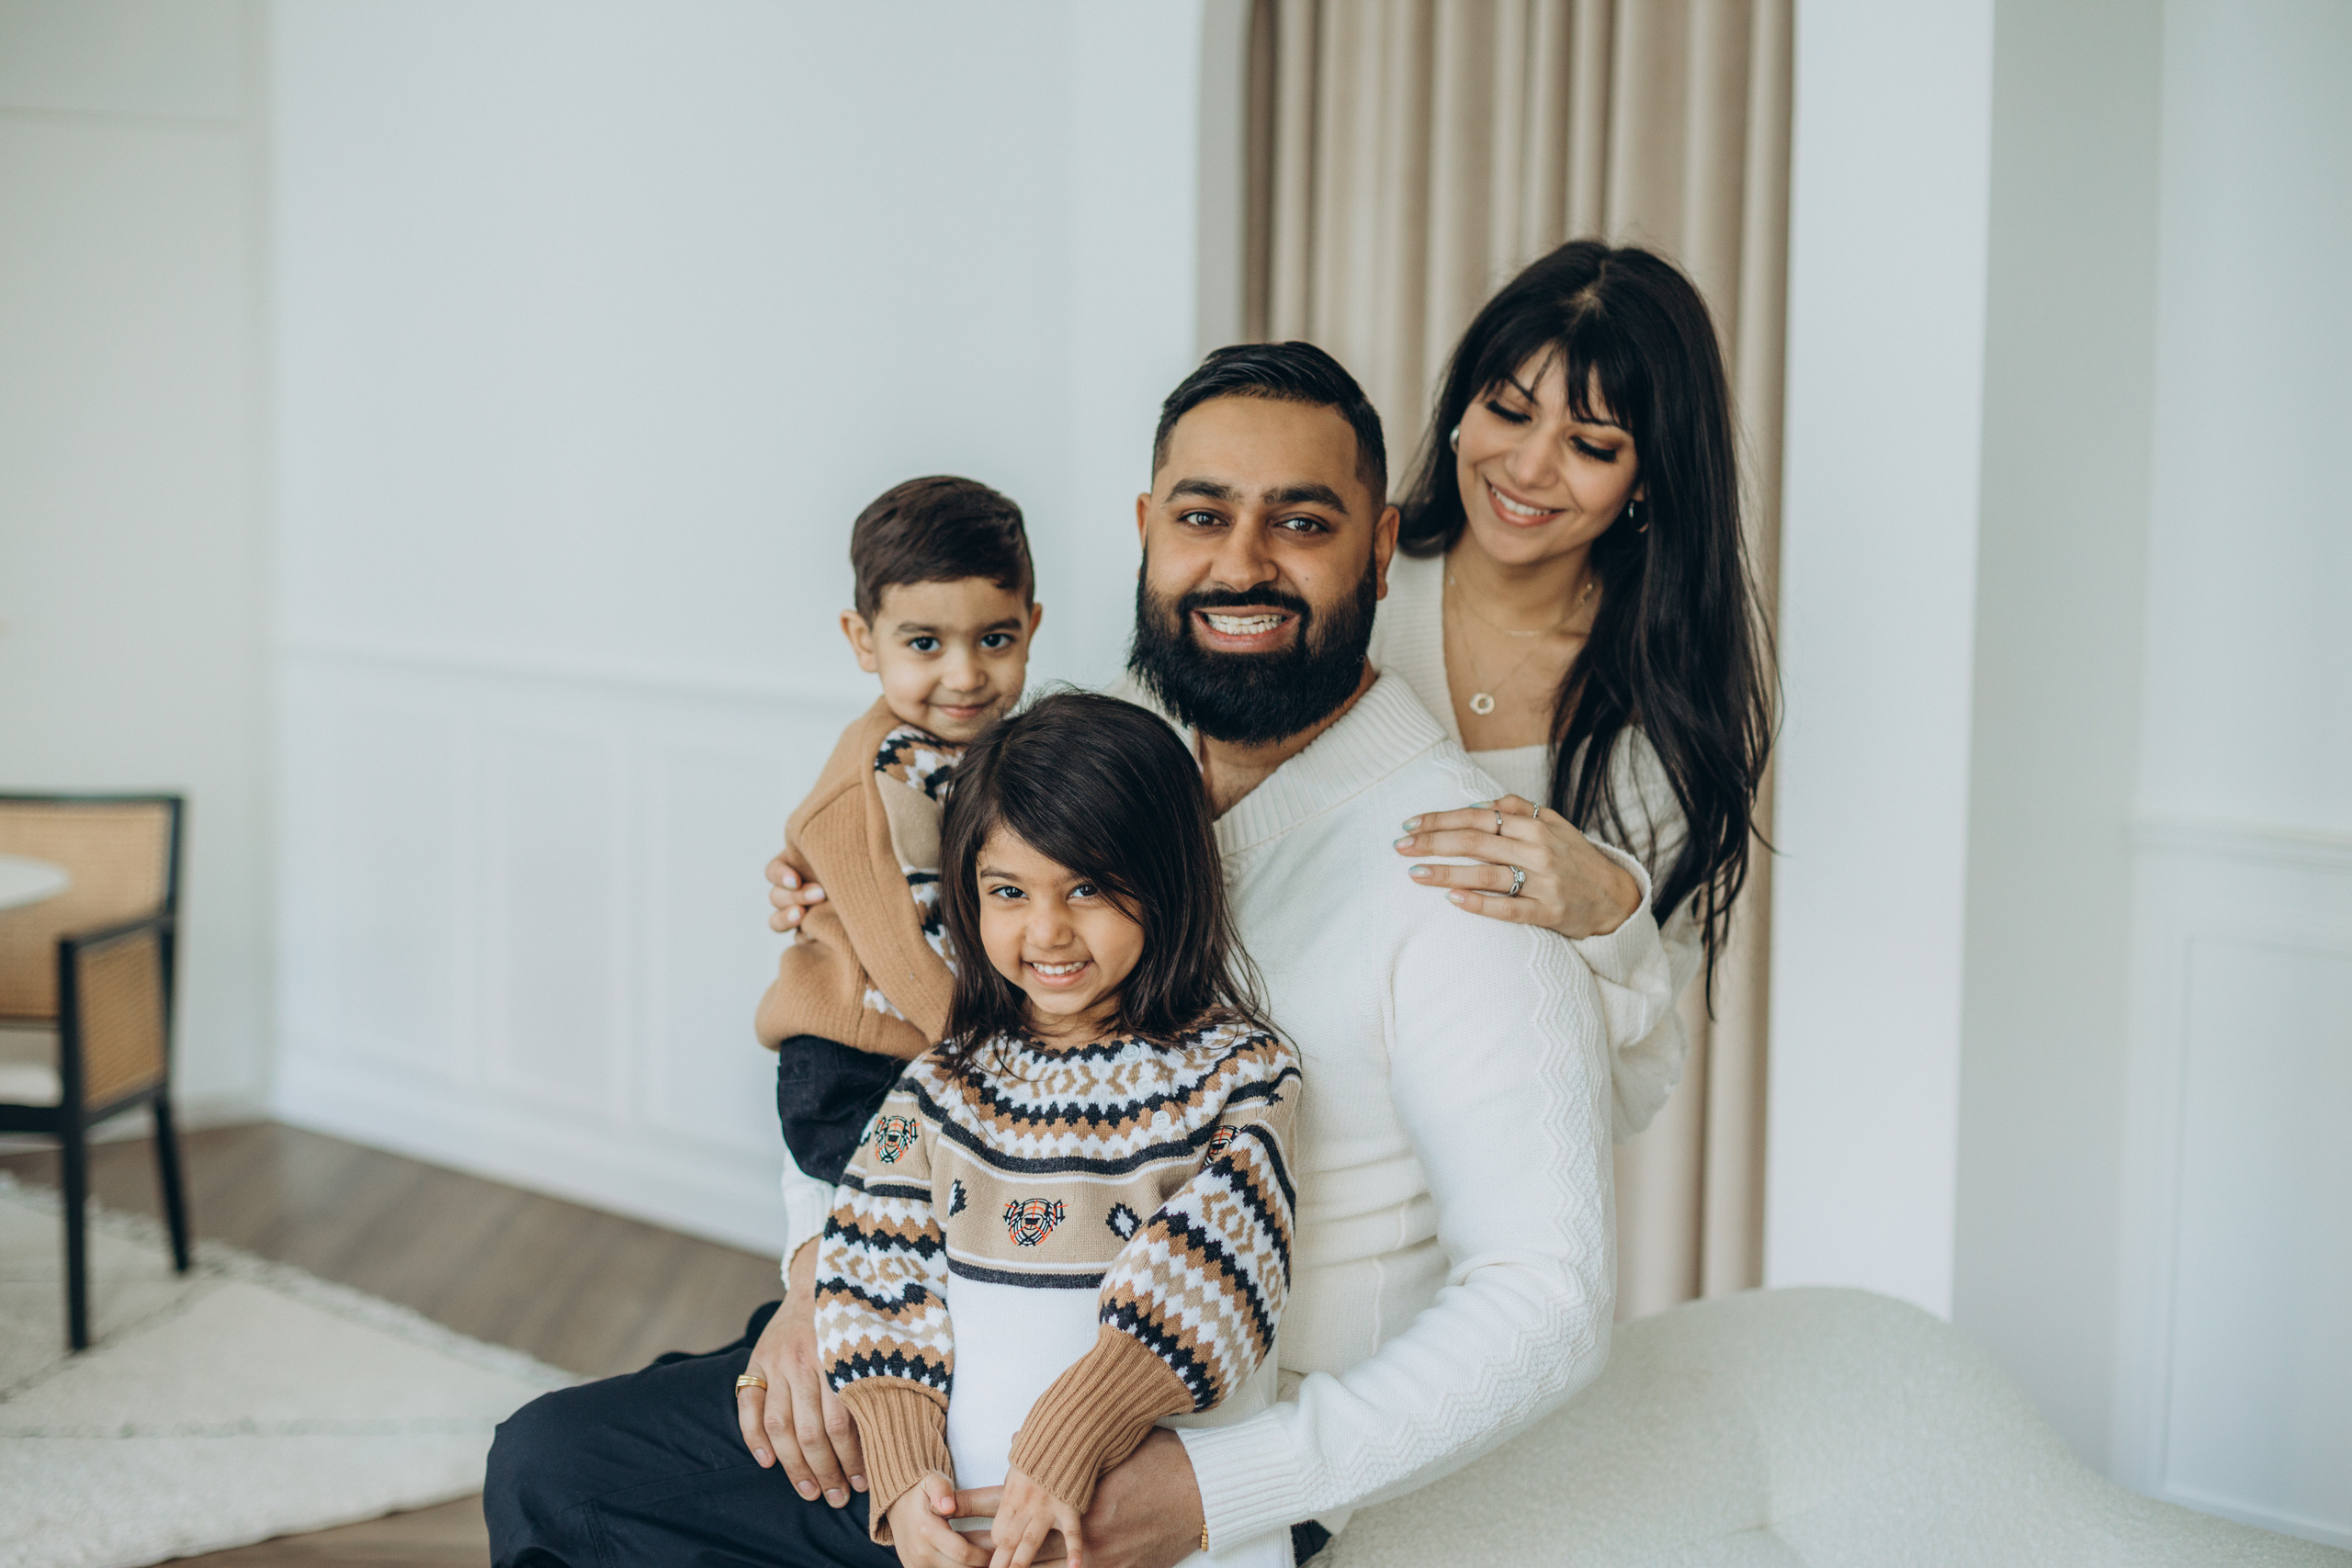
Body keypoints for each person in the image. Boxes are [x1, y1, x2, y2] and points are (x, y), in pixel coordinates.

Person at [720, 342, 1668, 1568]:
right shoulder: (1068, 759)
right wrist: (818, 1270)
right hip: (934, 1357)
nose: (1240, 561)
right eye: (1202, 514)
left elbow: (1547, 1300)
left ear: (1379, 550)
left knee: (585, 1478)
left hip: (1207, 1440)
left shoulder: (1465, 869)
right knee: (568, 1462)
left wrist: (1221, 1488)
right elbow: (874, 1023)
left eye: (1303, 521)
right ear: (1144, 530)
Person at [820, 691, 1298, 1568]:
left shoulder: (1238, 1072)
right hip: (974, 1536)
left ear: (1167, 879)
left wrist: (1072, 1436)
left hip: (1157, 1541)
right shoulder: (942, 1086)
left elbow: (1221, 1272)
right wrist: (900, 1471)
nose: (1046, 930)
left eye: (1087, 887)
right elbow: (869, 1263)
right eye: (1008, 890)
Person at [1378, 242, 1775, 1138]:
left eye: (1590, 445)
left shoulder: (1656, 720)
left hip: (1502, 1175)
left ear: (1647, 480)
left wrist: (1611, 913)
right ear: (1459, 407)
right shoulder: (1340, 596)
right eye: (1507, 411)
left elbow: (1634, 1076)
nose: (1525, 468)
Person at [758, 475, 1045, 1216]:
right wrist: (987, 1063)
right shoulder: (879, 775)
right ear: (864, 640)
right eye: (924, 643)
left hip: (924, 1047)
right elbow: (902, 944)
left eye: (995, 639)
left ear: (1031, 626)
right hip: (857, 1064)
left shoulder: (983, 748)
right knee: (906, 1225)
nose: (965, 674)